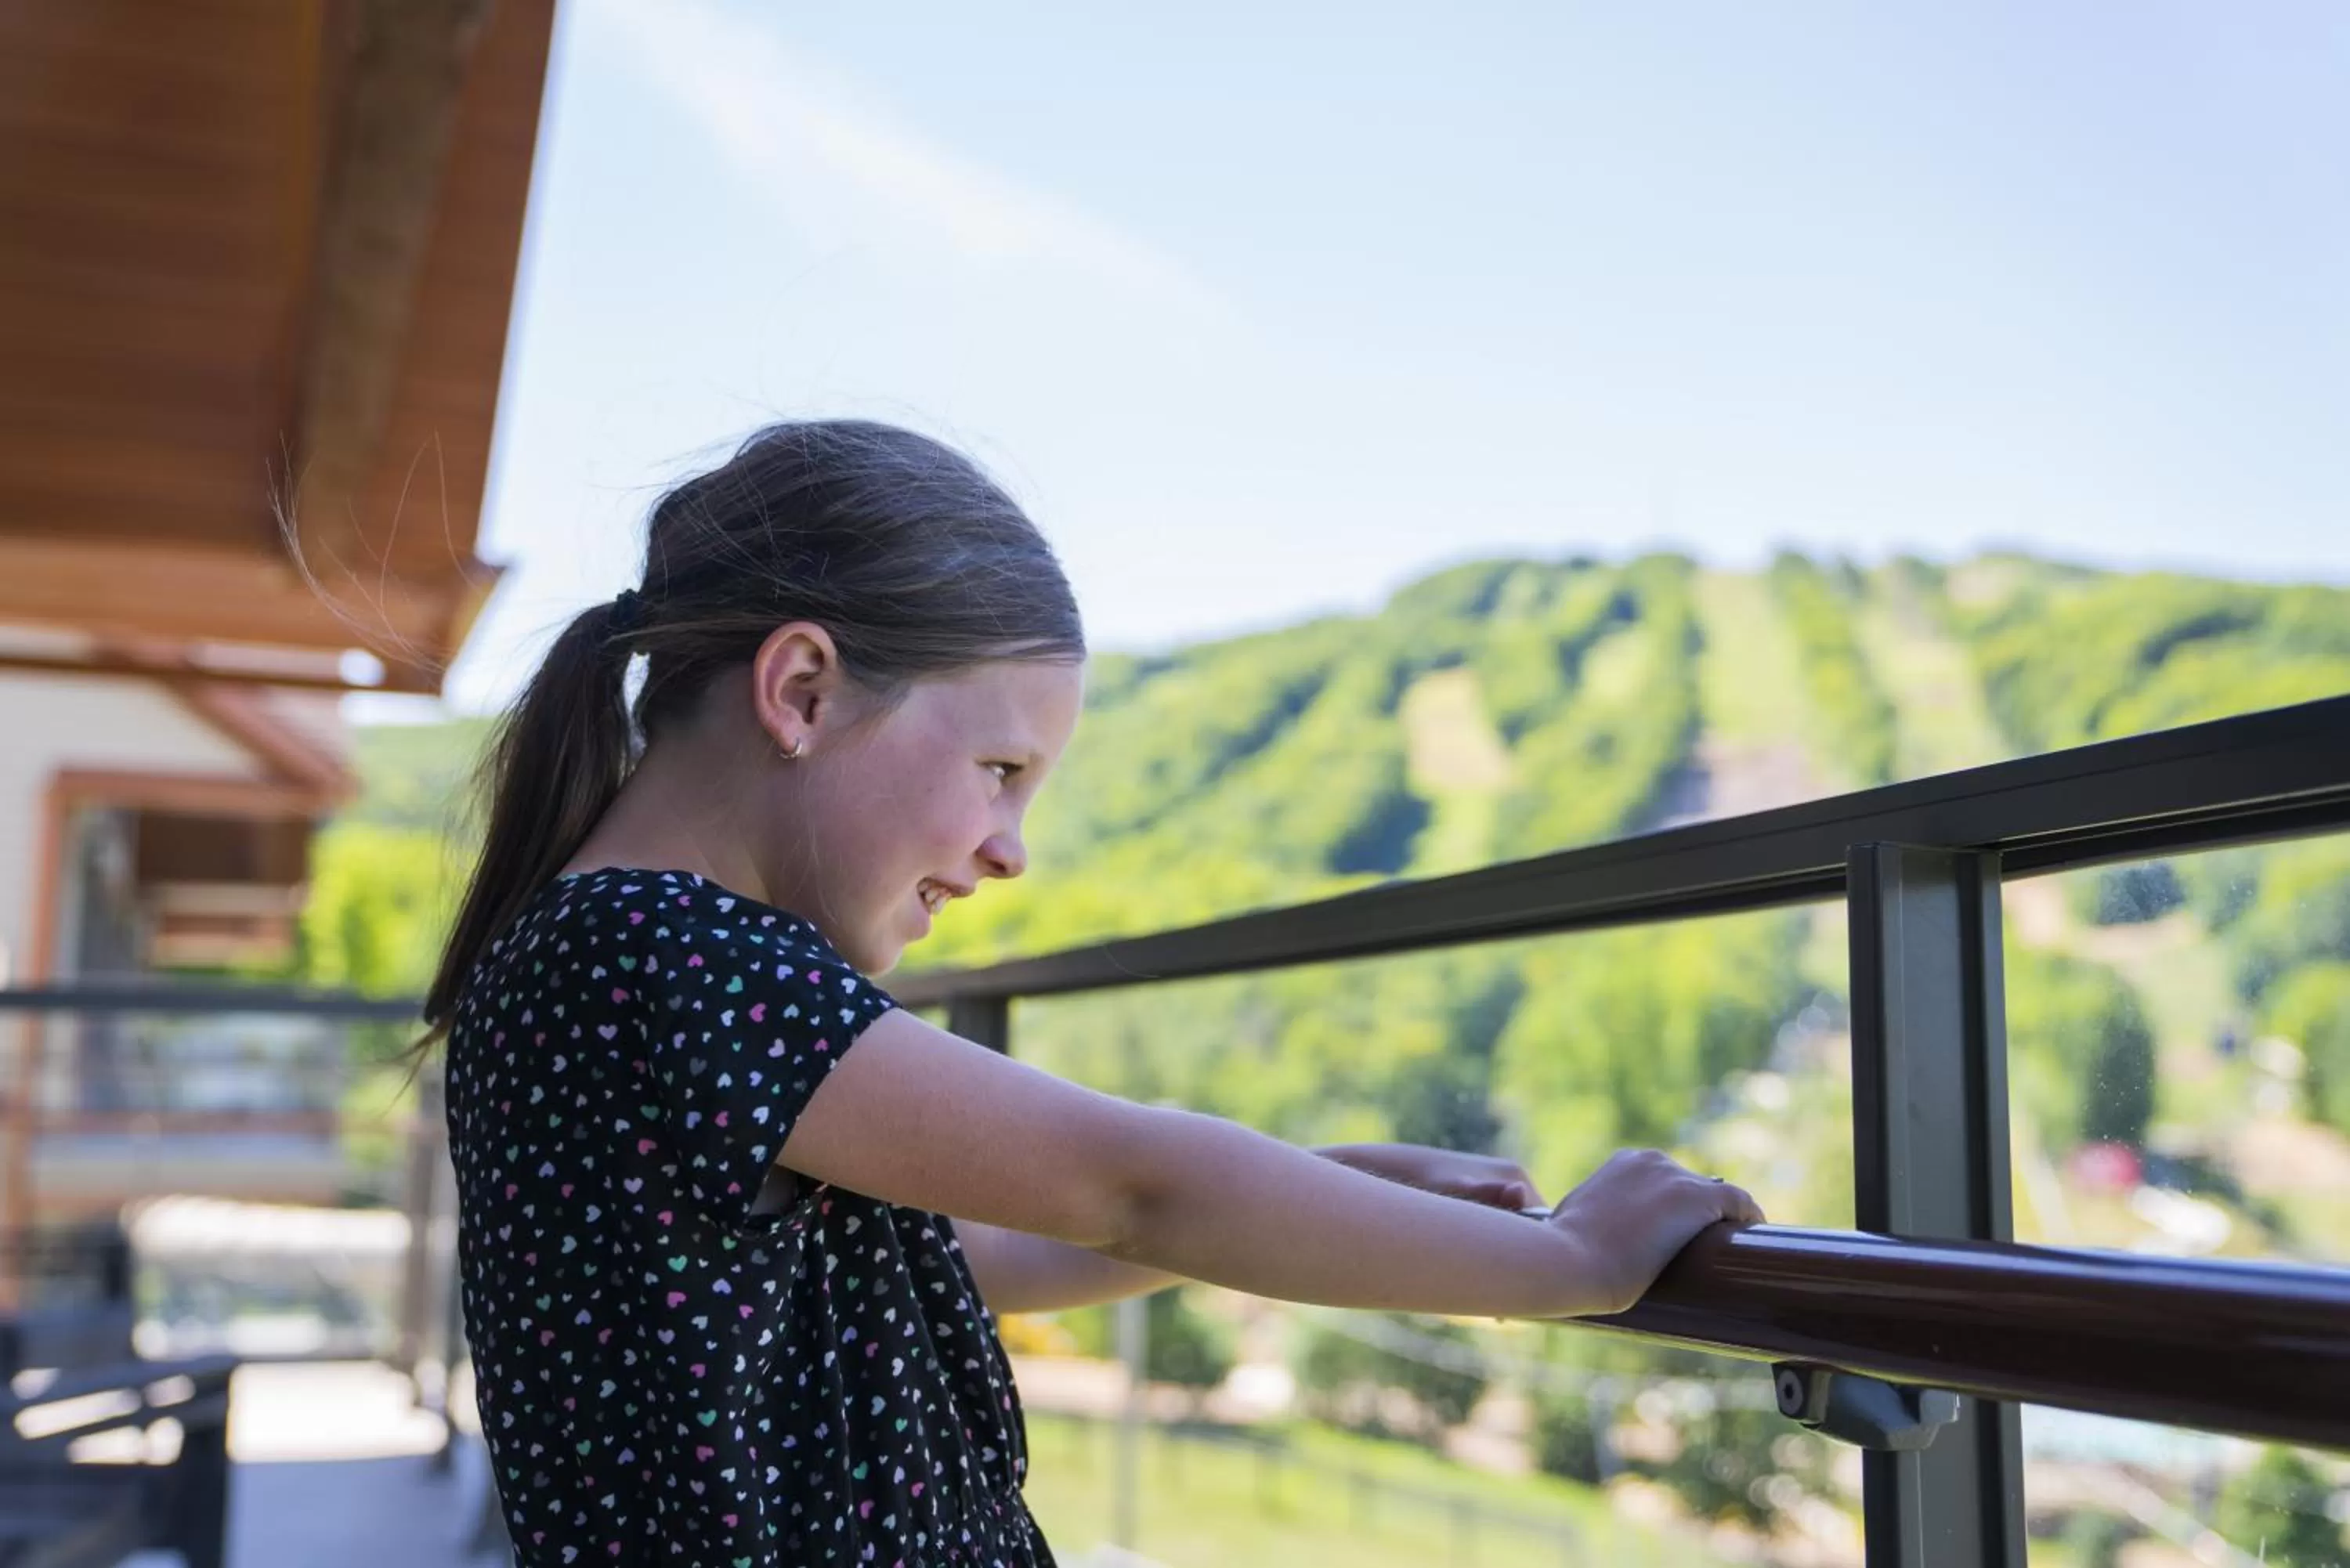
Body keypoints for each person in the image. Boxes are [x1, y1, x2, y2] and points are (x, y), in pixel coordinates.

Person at [428, 420, 1763, 1567]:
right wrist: (1574, 1265)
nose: (1012, 849)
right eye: (1002, 770)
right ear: (803, 689)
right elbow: (1129, 1181)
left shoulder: (627, 961)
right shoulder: (663, 960)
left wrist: (1338, 1176)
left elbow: (981, 1250)